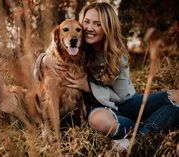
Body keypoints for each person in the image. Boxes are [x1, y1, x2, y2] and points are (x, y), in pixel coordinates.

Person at [33, 2, 179, 150]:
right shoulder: (79, 50)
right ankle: (151, 127)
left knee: (177, 96)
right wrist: (43, 59)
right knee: (100, 122)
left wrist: (88, 87)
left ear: (108, 27)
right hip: (101, 109)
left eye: (97, 24)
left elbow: (121, 97)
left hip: (127, 102)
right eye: (87, 22)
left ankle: (136, 138)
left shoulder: (118, 55)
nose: (89, 28)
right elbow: (54, 54)